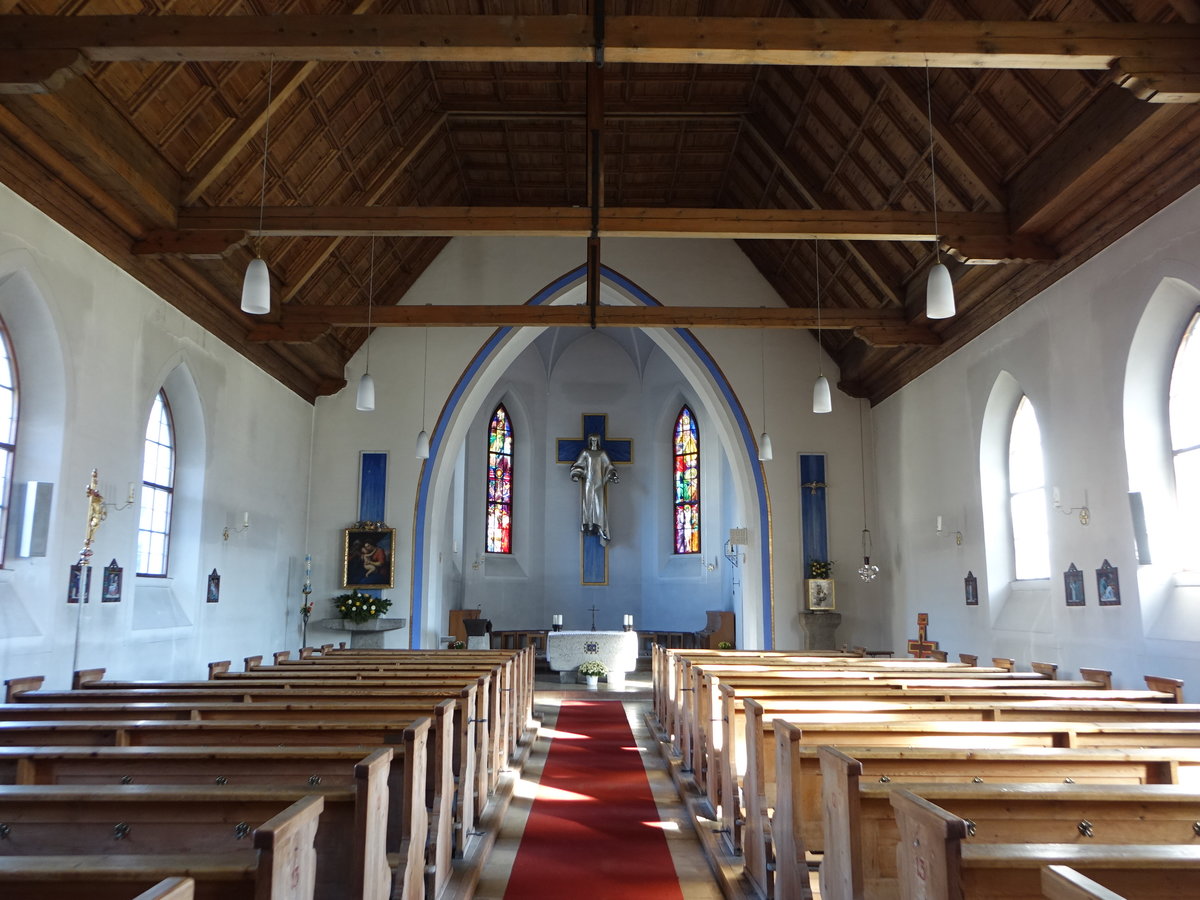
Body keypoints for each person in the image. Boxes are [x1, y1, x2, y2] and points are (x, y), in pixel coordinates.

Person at [570, 434, 619, 545]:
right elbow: (579, 465)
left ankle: (600, 527)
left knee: (599, 505)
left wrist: (612, 475)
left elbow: (609, 466)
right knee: (588, 504)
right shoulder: (585, 453)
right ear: (589, 441)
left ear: (598, 441)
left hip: (599, 484)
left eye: (595, 440)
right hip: (588, 482)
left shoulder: (602, 454)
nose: (593, 442)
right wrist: (576, 474)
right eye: (592, 440)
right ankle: (589, 525)